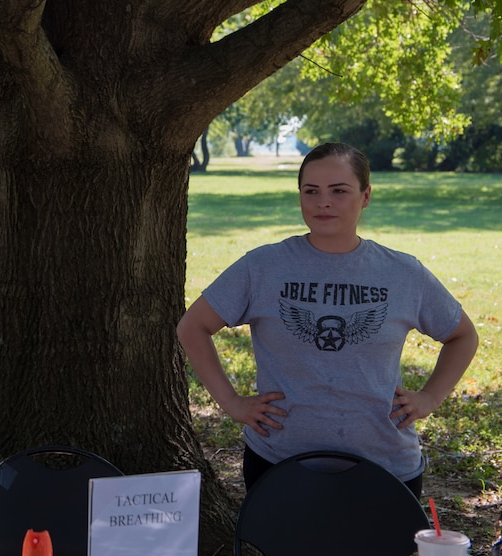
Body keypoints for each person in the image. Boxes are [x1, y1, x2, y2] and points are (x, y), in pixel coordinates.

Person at [177, 142, 478, 498]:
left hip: (386, 464)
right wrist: (231, 402)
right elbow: (192, 327)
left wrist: (429, 397)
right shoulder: (263, 267)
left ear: (365, 196)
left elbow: (463, 336)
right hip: (279, 460)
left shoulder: (402, 273)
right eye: (311, 191)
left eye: (339, 191)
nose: (324, 202)